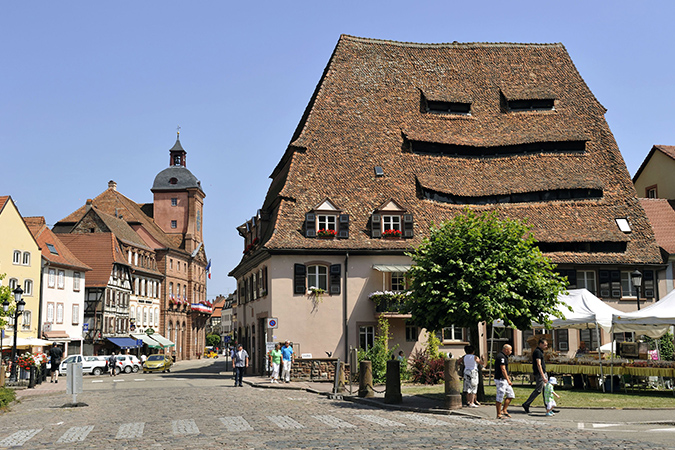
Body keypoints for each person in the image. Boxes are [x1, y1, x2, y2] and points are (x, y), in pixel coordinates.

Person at [522, 338, 548, 413]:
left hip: (543, 372)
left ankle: (549, 407)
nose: (546, 346)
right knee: (538, 390)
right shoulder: (537, 352)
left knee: (546, 390)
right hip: (540, 373)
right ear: (540, 344)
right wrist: (543, 375)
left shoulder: (540, 351)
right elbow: (538, 364)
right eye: (545, 345)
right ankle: (526, 404)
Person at [494, 344, 515, 419]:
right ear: (506, 350)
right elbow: (503, 369)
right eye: (510, 350)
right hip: (500, 379)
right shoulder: (501, 357)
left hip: (504, 380)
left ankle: (504, 410)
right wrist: (508, 379)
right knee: (500, 396)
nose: (511, 351)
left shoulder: (505, 356)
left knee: (511, 395)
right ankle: (498, 414)